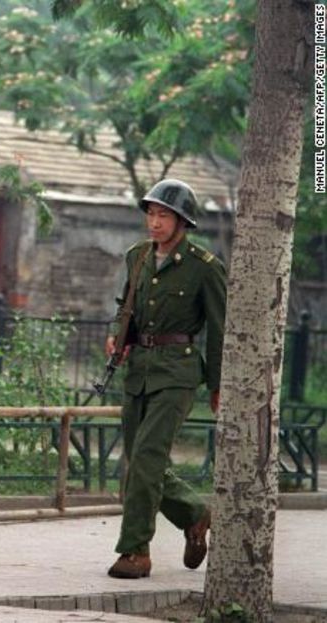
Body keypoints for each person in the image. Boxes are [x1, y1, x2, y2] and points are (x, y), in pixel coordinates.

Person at [104, 178, 225, 579]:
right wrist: (118, 337)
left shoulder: (204, 268)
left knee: (147, 460)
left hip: (178, 372)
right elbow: (129, 307)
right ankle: (194, 513)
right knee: (137, 463)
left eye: (164, 216)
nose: (154, 223)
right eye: (151, 214)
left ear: (182, 222)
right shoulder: (137, 257)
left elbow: (219, 327)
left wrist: (218, 383)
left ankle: (135, 552)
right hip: (138, 369)